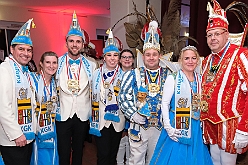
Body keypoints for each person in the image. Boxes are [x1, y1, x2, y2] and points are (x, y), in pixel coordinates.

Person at [201, 1, 248, 165]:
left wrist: (245, 128)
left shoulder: (240, 55)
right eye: (209, 34)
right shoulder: (206, 61)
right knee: (214, 160)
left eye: (217, 33)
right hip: (210, 124)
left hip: (231, 125)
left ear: (226, 34)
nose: (213, 38)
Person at [150, 46, 213, 165]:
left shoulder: (200, 79)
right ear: (181, 61)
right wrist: (168, 127)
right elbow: (165, 104)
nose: (190, 61)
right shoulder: (173, 78)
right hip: (178, 124)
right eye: (187, 58)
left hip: (196, 127)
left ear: (197, 60)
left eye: (193, 58)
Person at [118, 20, 170, 165]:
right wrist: (133, 114)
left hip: (160, 127)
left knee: (155, 160)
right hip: (138, 126)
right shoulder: (132, 74)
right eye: (148, 54)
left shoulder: (169, 75)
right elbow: (123, 97)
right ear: (143, 56)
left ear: (160, 56)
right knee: (136, 161)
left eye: (154, 54)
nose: (151, 57)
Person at [55, 11, 96, 165]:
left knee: (79, 150)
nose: (74, 44)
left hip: (82, 114)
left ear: (82, 44)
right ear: (66, 43)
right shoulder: (56, 63)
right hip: (62, 114)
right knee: (63, 151)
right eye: (71, 41)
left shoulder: (91, 65)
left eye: (78, 41)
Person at [0, 19, 36, 165]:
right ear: (11, 49)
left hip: (26, 136)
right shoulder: (4, 70)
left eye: (29, 50)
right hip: (14, 139)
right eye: (21, 49)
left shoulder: (25, 71)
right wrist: (16, 134)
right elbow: (3, 107)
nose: (25, 53)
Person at [89, 29, 125, 165]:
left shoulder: (124, 76)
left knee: (112, 155)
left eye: (115, 55)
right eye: (109, 55)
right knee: (102, 155)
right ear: (104, 57)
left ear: (119, 58)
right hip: (100, 120)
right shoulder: (96, 74)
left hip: (117, 120)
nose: (112, 58)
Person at [30, 51, 59, 165]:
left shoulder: (56, 83)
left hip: (51, 127)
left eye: (54, 63)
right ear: (41, 63)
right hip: (35, 127)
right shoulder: (31, 79)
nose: (51, 66)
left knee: (51, 157)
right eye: (48, 62)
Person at [116, 49, 135, 165]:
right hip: (118, 113)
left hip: (133, 114)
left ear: (133, 60)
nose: (127, 59)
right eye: (124, 57)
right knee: (120, 142)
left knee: (132, 142)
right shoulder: (114, 76)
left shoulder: (138, 75)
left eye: (129, 57)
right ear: (120, 60)